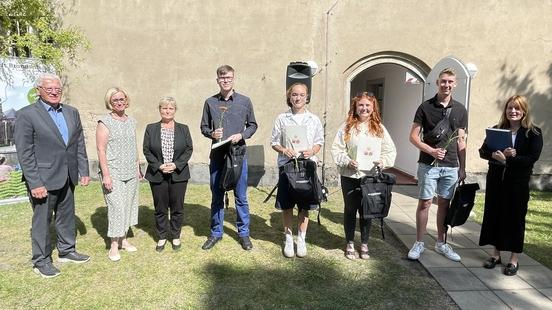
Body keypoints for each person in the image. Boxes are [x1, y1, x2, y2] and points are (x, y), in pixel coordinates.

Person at [14, 73, 90, 278]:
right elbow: (25, 152)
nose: (55, 91)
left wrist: (83, 169)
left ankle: (67, 250)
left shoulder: (72, 112)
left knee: (66, 216)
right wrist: (34, 182)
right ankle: (41, 261)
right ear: (38, 90)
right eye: (49, 89)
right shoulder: (26, 114)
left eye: (57, 88)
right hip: (43, 179)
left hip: (68, 175)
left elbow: (78, 143)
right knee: (42, 221)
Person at [407, 68, 467, 262]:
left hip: (450, 165)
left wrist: (462, 167)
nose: (446, 85)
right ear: (437, 82)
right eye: (443, 81)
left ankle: (441, 243)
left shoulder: (460, 109)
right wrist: (430, 151)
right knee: (424, 203)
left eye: (450, 82)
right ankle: (419, 243)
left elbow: (461, 140)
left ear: (455, 84)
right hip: (428, 164)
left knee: (444, 204)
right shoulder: (425, 107)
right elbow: (413, 137)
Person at [478, 95, 543, 276]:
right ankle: (496, 255)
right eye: (509, 108)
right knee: (495, 215)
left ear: (524, 111)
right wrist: (495, 155)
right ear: (505, 110)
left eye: (517, 108)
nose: (513, 111)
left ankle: (513, 259)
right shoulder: (497, 129)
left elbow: (532, 158)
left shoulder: (533, 132)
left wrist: (510, 158)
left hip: (517, 183)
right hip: (496, 181)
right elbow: (483, 151)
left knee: (515, 218)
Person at [331, 92, 396, 260]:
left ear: (373, 108)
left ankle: (365, 243)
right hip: (350, 176)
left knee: (367, 210)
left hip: (370, 177)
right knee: (350, 209)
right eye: (361, 105)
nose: (364, 108)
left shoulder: (379, 128)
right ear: (355, 106)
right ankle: (350, 243)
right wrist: (347, 161)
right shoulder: (346, 127)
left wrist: (382, 162)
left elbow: (390, 151)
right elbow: (337, 149)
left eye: (368, 105)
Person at [199, 65, 258, 250]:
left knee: (241, 196)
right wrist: (212, 133)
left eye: (229, 78)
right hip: (218, 156)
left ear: (234, 79)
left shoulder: (244, 101)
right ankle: (216, 233)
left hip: (238, 156)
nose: (226, 81)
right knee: (217, 195)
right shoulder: (210, 102)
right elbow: (203, 127)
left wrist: (242, 135)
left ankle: (244, 234)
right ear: (217, 80)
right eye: (222, 78)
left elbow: (253, 125)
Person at [270, 83, 324, 258]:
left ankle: (301, 239)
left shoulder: (314, 119)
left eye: (301, 95)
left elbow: (319, 142)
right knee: (287, 204)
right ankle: (287, 238)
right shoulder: (282, 118)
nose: (298, 98)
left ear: (307, 97)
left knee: (304, 204)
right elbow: (274, 142)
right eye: (294, 94)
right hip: (287, 166)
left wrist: (312, 151)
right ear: (289, 97)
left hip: (306, 166)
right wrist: (284, 150)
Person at [143, 97, 193, 252]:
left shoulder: (184, 128)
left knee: (177, 207)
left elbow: (188, 149)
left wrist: (176, 165)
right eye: (164, 108)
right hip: (158, 174)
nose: (167, 111)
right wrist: (159, 166)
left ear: (175, 110)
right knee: (160, 208)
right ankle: (162, 236)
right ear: (160, 110)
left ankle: (176, 235)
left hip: (179, 174)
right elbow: (147, 150)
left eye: (171, 108)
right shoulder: (151, 128)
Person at [96, 87, 140, 262]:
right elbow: (100, 149)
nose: (120, 102)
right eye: (115, 100)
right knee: (117, 207)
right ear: (110, 103)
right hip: (113, 171)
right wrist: (106, 175)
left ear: (126, 100)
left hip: (130, 170)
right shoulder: (104, 122)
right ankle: (113, 245)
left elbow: (133, 145)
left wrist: (137, 166)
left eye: (122, 99)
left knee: (128, 205)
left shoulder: (131, 121)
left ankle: (124, 240)